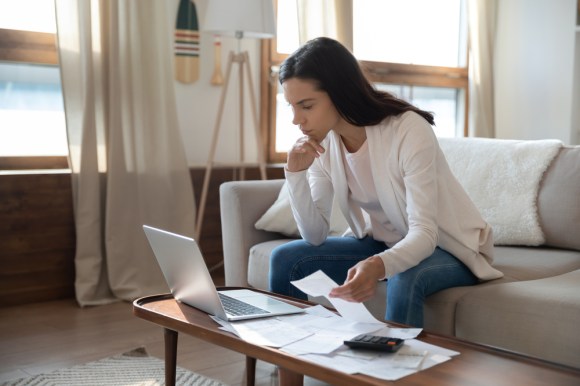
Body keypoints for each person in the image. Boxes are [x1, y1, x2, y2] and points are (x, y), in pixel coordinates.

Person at [268, 37, 503, 384]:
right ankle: (288, 379)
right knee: (286, 259)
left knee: (404, 277)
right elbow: (314, 236)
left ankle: (389, 379)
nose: (296, 120)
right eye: (291, 107)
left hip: (445, 246)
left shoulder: (407, 130)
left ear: (339, 91)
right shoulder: (324, 143)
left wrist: (378, 265)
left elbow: (425, 233)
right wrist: (296, 173)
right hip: (382, 241)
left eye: (306, 105)